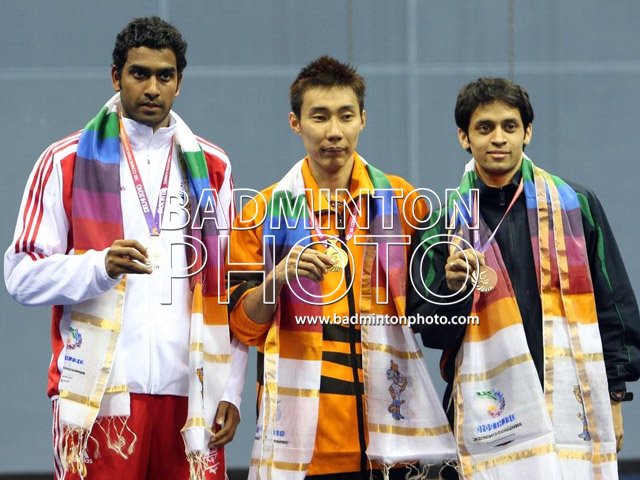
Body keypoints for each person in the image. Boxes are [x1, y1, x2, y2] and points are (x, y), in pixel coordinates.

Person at [4, 16, 247, 480]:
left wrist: (231, 390)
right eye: (140, 74)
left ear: (179, 83)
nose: (152, 88)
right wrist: (98, 267)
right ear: (116, 77)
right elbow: (20, 274)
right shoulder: (65, 160)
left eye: (165, 76)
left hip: (191, 399)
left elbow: (228, 285)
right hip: (99, 397)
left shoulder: (214, 167)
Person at [227, 55, 455, 480]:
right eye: (319, 117)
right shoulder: (261, 212)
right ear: (295, 123)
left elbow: (431, 311)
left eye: (346, 116)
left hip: (394, 442)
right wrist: (278, 277)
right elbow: (243, 327)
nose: (334, 131)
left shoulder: (404, 202)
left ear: (362, 120)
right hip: (308, 448)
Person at [407, 77, 640, 479]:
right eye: (484, 127)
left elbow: (614, 308)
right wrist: (454, 290)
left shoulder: (576, 205)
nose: (498, 138)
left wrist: (615, 398)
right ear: (464, 137)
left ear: (527, 132)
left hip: (570, 407)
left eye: (509, 126)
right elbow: (431, 331)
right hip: (485, 414)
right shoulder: (440, 223)